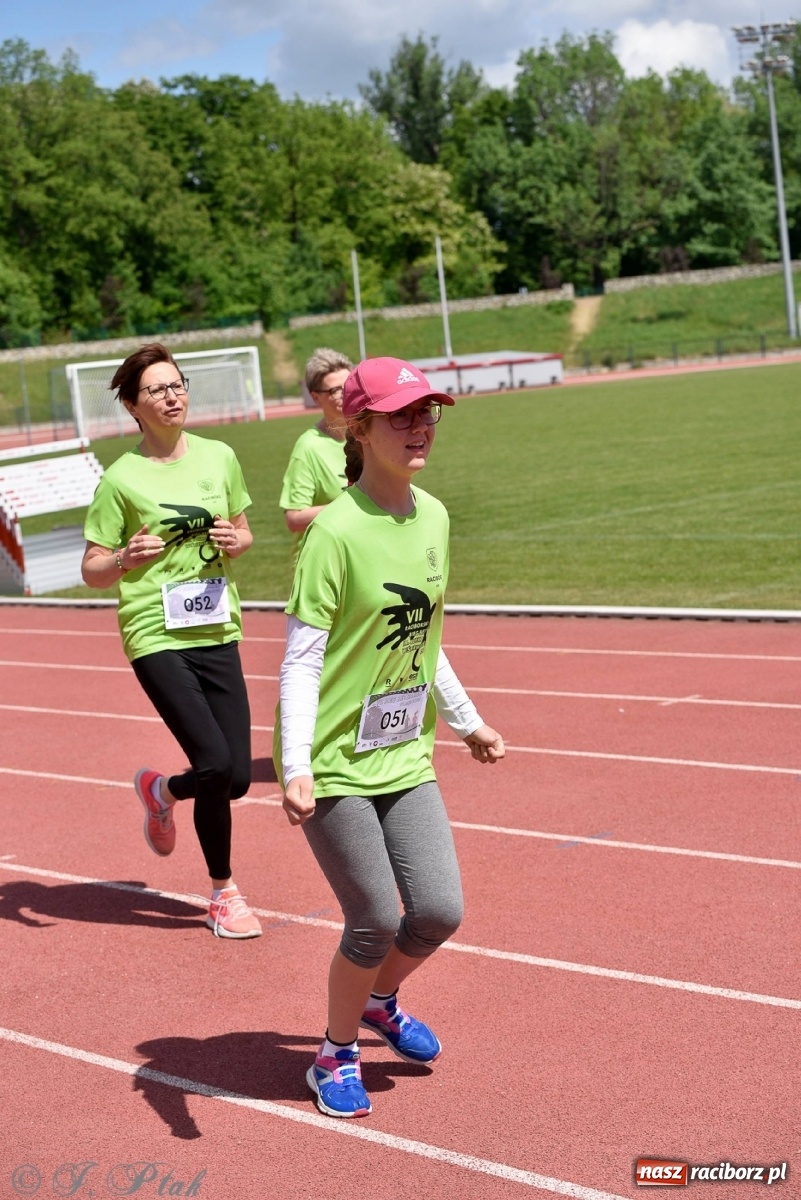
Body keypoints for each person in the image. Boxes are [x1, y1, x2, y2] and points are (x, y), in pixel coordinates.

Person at [274, 355, 505, 1118]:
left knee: (437, 911)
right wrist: (297, 763)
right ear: (359, 426)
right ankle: (333, 1054)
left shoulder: (433, 516)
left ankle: (379, 1002)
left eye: (428, 412)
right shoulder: (333, 534)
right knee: (372, 919)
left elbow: (424, 638)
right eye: (403, 415)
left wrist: (465, 720)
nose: (420, 427)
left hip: (405, 752)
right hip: (338, 762)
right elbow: (302, 660)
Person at [81, 342, 261, 940]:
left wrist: (237, 543)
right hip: (154, 631)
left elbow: (243, 531)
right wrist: (124, 557)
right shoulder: (121, 479)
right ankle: (224, 893)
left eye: (177, 384)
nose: (173, 395)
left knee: (233, 777)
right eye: (157, 389)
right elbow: (92, 568)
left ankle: (161, 790)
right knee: (214, 761)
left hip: (215, 625)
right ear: (133, 405)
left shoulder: (220, 457)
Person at [279, 348, 351, 564]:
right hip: (318, 564)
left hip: (356, 558)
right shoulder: (308, 447)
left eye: (348, 386)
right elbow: (294, 518)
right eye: (334, 390)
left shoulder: (370, 435)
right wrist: (351, 506)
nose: (344, 394)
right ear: (315, 397)